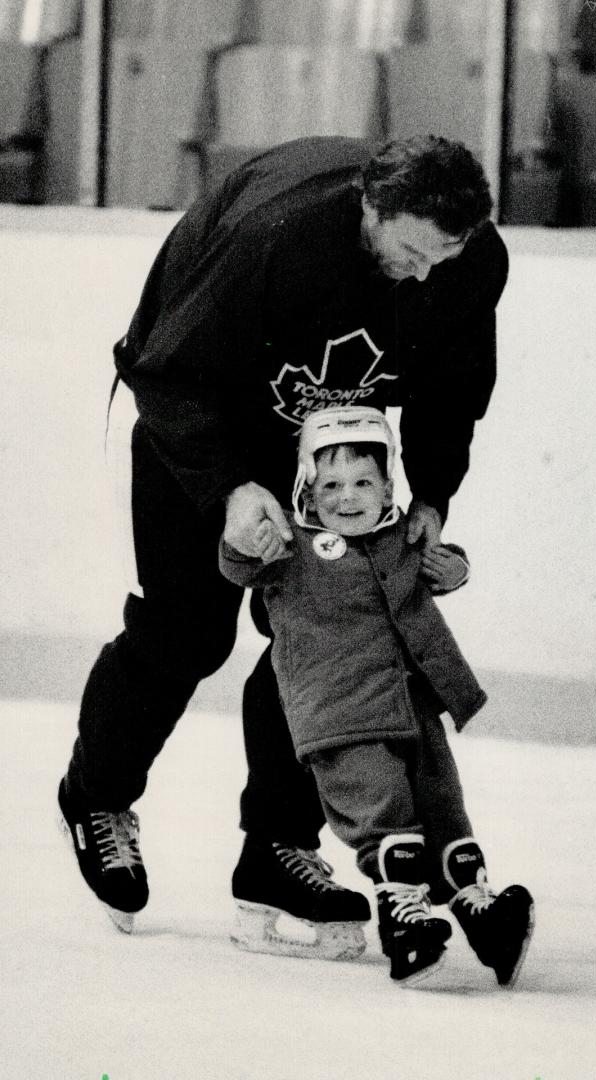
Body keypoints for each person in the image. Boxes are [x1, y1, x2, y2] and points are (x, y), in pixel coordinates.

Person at [57, 133, 508, 951]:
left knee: (325, 642)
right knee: (186, 631)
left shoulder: (467, 259)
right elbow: (164, 369)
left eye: (443, 256)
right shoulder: (273, 235)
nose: (425, 276)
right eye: (409, 252)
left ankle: (276, 848)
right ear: (372, 207)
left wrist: (435, 494)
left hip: (324, 451)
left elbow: (453, 388)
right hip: (198, 421)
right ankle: (96, 796)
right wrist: (229, 488)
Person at [219, 406, 534, 987]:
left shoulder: (398, 537)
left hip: (412, 710)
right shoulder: (293, 547)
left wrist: (453, 568)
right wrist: (247, 543)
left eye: (364, 482)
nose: (347, 498)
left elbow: (441, 566)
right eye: (330, 485)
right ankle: (406, 929)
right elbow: (237, 566)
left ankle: (482, 916)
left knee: (445, 811)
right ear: (305, 491)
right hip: (340, 716)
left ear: (389, 487)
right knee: (386, 819)